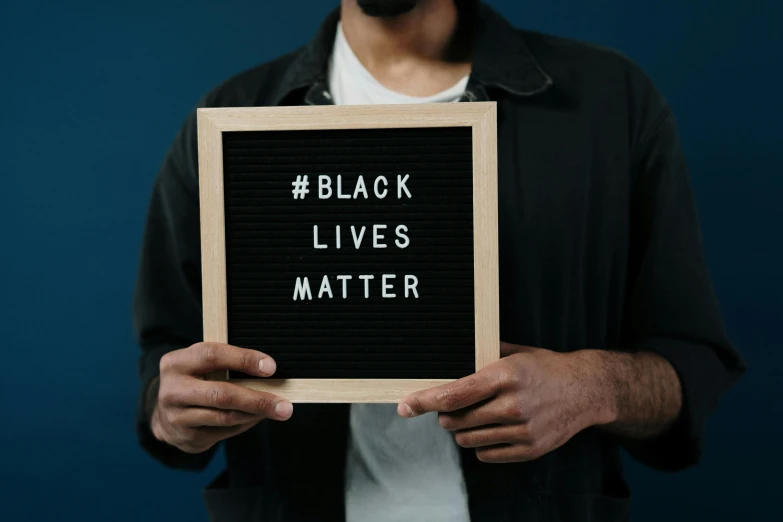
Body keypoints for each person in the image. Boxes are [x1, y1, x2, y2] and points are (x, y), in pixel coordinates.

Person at [133, 1, 746, 521]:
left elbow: (692, 367)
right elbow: (165, 378)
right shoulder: (234, 121)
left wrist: (594, 388)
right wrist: (174, 410)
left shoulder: (610, 103)